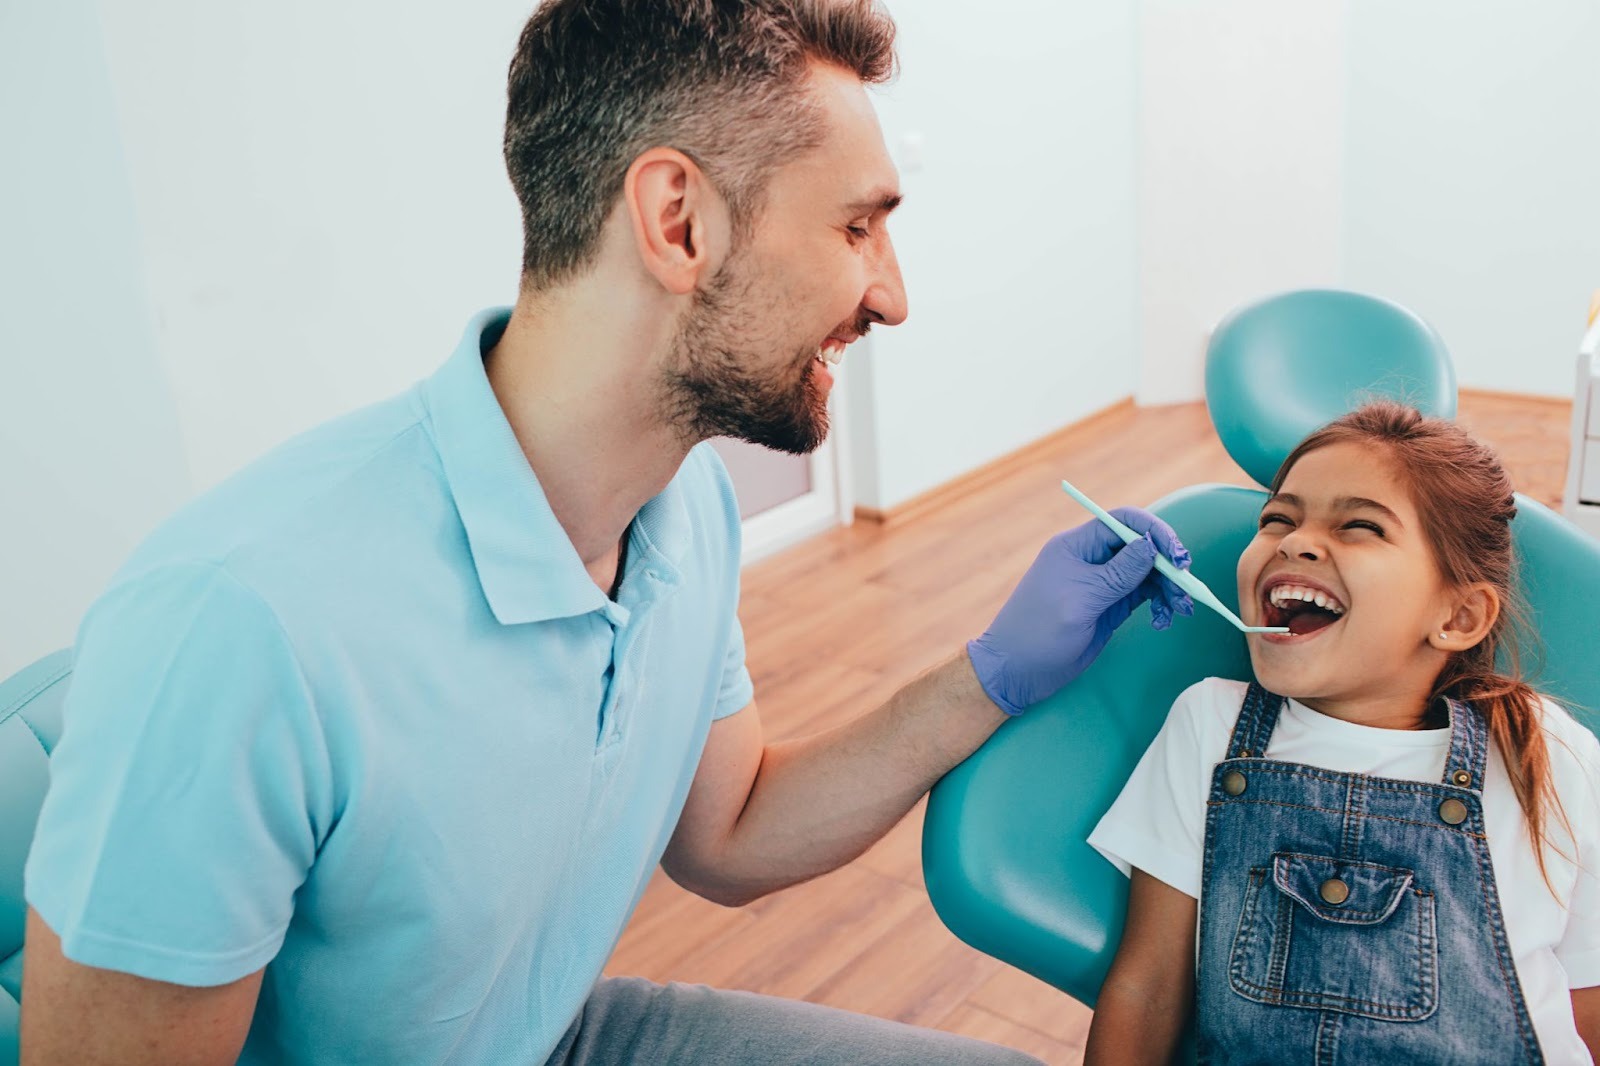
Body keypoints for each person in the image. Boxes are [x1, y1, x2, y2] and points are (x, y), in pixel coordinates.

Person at [19, 2, 1193, 1063]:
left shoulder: (682, 507)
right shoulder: (240, 625)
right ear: (677, 220)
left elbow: (729, 832)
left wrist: (989, 675)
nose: (891, 295)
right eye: (856, 229)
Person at [1084, 401, 1600, 1065]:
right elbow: (1147, 987)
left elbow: (1587, 1004)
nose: (1293, 542)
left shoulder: (1545, 752)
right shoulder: (1207, 725)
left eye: (1359, 526)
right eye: (1277, 519)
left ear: (1459, 615)